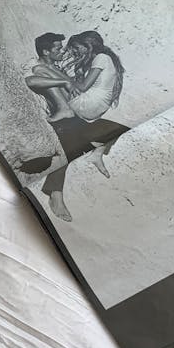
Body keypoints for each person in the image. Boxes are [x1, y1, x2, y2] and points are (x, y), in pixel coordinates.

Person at [19, 31, 130, 221]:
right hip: (62, 117)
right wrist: (62, 80)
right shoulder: (35, 65)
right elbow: (30, 80)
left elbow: (78, 87)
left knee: (119, 129)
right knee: (71, 144)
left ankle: (59, 186)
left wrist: (66, 78)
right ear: (46, 51)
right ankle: (56, 194)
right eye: (58, 48)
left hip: (74, 116)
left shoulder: (60, 66)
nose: (63, 51)